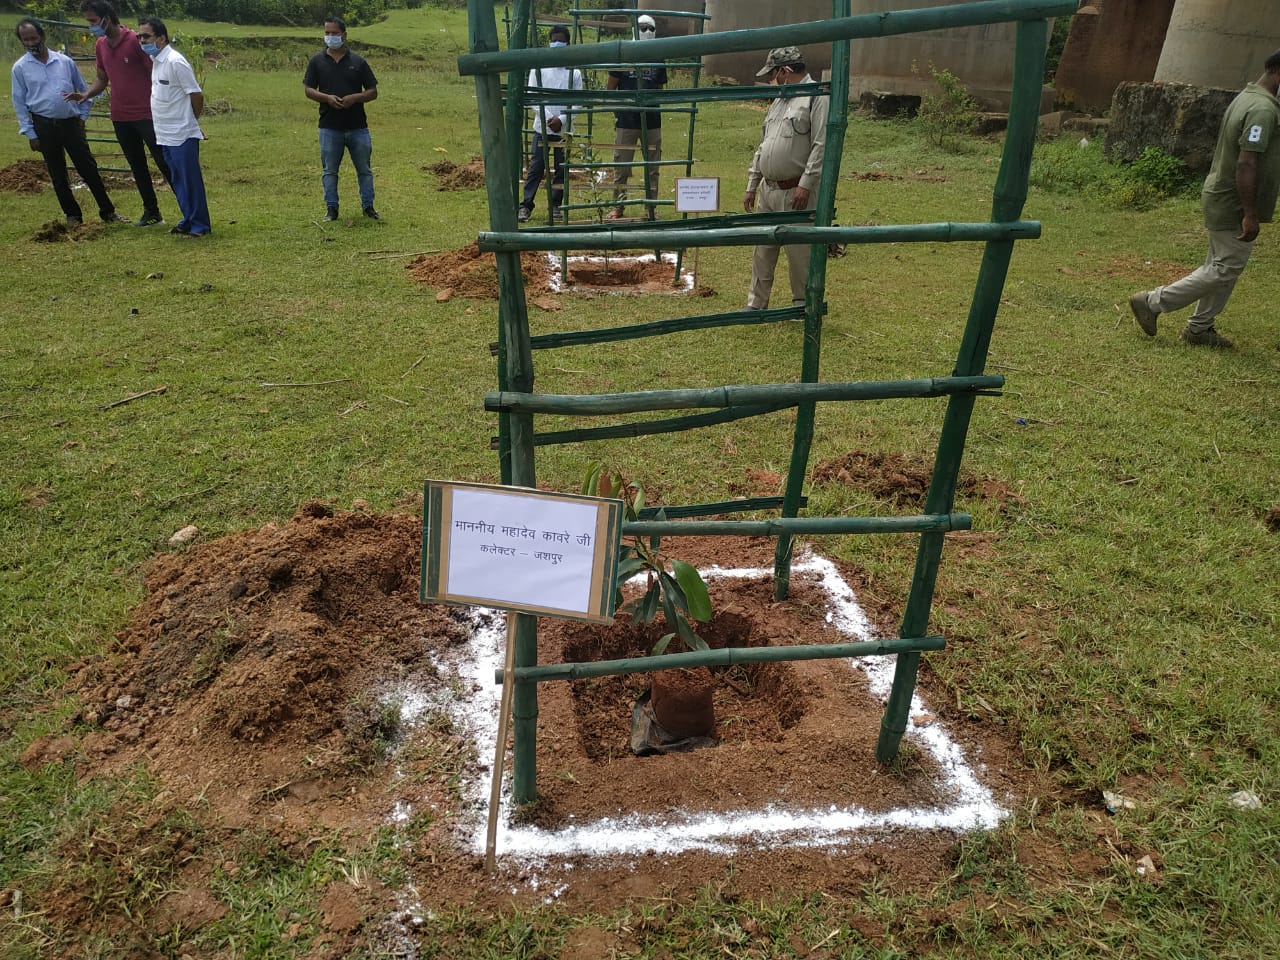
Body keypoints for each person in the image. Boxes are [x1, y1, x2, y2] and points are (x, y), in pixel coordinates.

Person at [1130, 51, 1280, 348]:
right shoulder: (1263, 109)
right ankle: (1152, 302)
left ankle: (1200, 328)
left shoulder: (1248, 96)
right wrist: (1249, 212)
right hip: (1233, 200)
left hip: (1224, 193)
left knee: (1224, 265)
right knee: (1224, 267)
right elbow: (1246, 163)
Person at [66, 0, 171, 227]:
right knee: (137, 164)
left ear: (107, 18)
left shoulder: (135, 41)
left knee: (164, 161)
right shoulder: (101, 45)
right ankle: (152, 212)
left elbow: (155, 72)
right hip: (121, 116)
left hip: (147, 113)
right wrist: (86, 93)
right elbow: (102, 78)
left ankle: (189, 209)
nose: (91, 26)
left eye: (93, 21)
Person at [10, 18, 122, 226]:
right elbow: (19, 103)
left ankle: (108, 212)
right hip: (44, 126)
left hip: (71, 124)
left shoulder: (64, 62)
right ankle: (73, 216)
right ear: (22, 42)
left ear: (42, 36)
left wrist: (82, 116)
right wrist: (31, 133)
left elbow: (85, 90)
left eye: (34, 37)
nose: (31, 42)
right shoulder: (20, 68)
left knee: (88, 168)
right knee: (57, 174)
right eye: (26, 40)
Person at [743, 47, 829, 311]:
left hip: (796, 191)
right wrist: (752, 183)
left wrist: (806, 184)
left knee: (800, 252)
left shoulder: (816, 97)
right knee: (762, 250)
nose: (771, 80)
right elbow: (764, 145)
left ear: (785, 71)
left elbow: (821, 144)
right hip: (768, 189)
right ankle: (756, 304)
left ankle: (801, 304)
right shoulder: (779, 100)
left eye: (773, 74)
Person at [303, 16, 380, 222]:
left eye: (334, 33)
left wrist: (355, 98)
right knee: (330, 171)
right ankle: (331, 209)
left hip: (357, 127)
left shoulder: (358, 62)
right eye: (327, 33)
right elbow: (309, 90)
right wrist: (326, 98)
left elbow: (373, 91)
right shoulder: (317, 61)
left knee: (364, 169)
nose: (330, 37)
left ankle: (369, 207)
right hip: (329, 126)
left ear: (344, 35)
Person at [139, 17, 210, 238]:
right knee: (177, 180)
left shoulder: (175, 61)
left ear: (161, 38)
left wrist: (191, 120)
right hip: (164, 134)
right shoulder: (156, 61)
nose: (142, 41)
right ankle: (188, 219)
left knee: (190, 180)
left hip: (182, 133)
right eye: (139, 36)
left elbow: (196, 94)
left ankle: (200, 226)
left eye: (146, 36)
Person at [518, 24, 583, 222]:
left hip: (564, 130)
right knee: (536, 167)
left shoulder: (575, 73)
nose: (557, 43)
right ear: (549, 42)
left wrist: (561, 119)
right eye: (554, 39)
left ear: (568, 43)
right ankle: (526, 205)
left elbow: (578, 101)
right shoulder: (538, 69)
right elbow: (532, 96)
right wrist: (549, 119)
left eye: (561, 40)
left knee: (561, 168)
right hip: (542, 127)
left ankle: (556, 205)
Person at [606, 14, 666, 221]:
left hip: (652, 121)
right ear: (634, 29)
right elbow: (611, 86)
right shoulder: (623, 54)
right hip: (626, 121)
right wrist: (618, 111)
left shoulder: (658, 56)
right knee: (622, 167)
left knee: (652, 168)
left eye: (650, 28)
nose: (647, 32)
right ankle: (618, 206)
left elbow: (659, 87)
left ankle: (651, 208)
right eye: (642, 27)